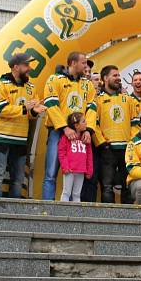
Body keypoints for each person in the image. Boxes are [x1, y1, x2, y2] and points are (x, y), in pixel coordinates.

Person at [0, 53, 45, 198]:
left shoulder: (31, 87)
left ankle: (15, 213)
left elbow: (29, 113)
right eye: (26, 65)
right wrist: (25, 109)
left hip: (20, 138)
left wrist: (35, 112)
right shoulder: (0, 84)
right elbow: (1, 110)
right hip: (0, 136)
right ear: (16, 67)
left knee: (18, 179)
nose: (29, 68)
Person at [42, 52, 96, 200]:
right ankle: (47, 210)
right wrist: (65, 128)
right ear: (73, 63)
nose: (86, 66)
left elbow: (92, 109)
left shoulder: (88, 84)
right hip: (58, 132)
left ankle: (73, 211)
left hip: (79, 135)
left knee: (77, 172)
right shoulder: (54, 79)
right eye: (83, 63)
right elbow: (51, 104)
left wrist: (88, 130)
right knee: (51, 173)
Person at [94, 65, 140, 203]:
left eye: (119, 75)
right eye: (115, 75)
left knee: (127, 186)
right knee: (107, 187)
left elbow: (135, 124)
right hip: (107, 149)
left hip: (126, 150)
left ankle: (129, 220)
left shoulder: (128, 99)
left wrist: (131, 143)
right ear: (105, 78)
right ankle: (107, 221)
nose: (118, 78)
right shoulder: (97, 100)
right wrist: (101, 143)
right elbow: (93, 124)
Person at [58, 112, 93, 202]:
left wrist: (89, 170)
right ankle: (62, 211)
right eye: (83, 121)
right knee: (66, 192)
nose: (86, 123)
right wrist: (65, 167)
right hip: (69, 170)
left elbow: (89, 155)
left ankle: (76, 214)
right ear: (76, 125)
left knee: (77, 194)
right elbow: (62, 153)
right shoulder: (65, 138)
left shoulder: (85, 138)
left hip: (81, 170)